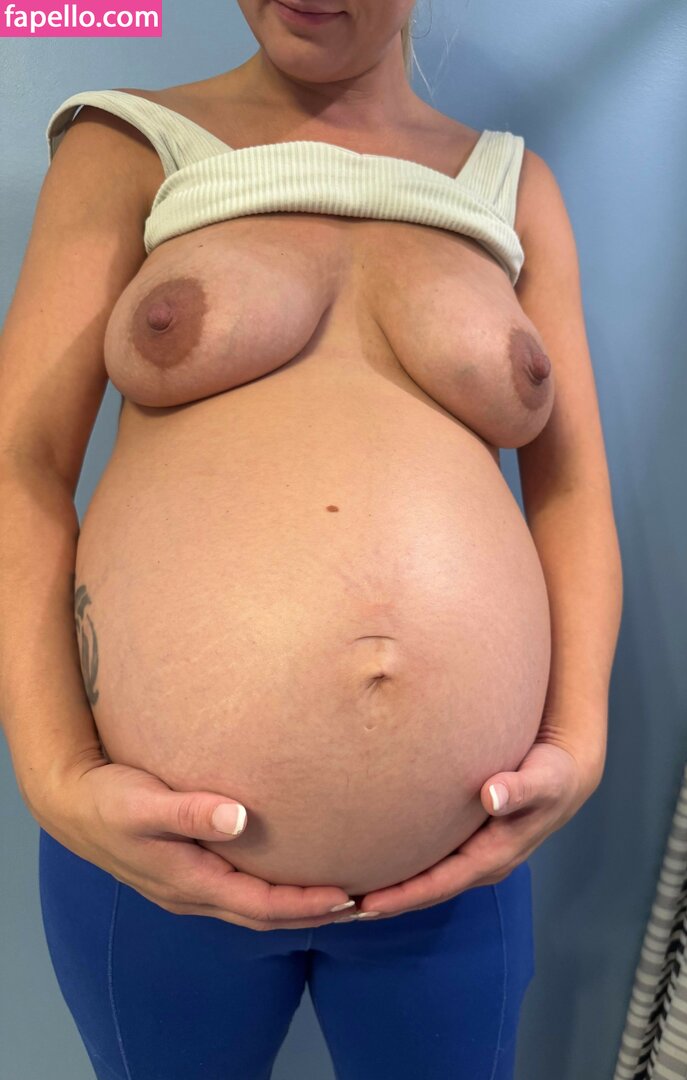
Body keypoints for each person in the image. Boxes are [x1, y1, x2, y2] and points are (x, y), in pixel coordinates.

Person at [0, 1, 622, 1077]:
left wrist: (581, 738)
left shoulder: (513, 186)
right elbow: (22, 472)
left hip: (456, 868)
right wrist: (55, 776)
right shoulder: (129, 142)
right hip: (155, 861)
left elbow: (570, 495)